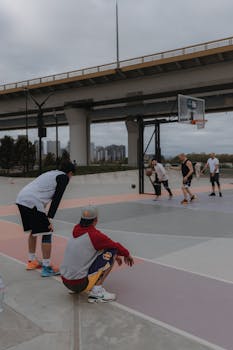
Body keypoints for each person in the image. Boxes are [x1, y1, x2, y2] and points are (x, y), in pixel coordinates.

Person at [60, 206, 134, 303]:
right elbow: (115, 246)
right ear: (96, 219)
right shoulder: (94, 235)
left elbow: (98, 247)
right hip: (79, 283)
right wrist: (127, 254)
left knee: (100, 249)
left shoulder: (76, 229)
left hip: (66, 281)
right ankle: (97, 292)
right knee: (112, 252)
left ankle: (79, 288)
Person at [16, 161, 75, 277]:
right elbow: (57, 199)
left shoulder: (52, 174)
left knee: (34, 230)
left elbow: (42, 193)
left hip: (21, 198)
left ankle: (31, 260)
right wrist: (49, 218)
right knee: (47, 231)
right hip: (32, 201)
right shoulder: (64, 178)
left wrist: (45, 216)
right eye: (72, 175)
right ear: (70, 173)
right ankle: (46, 267)